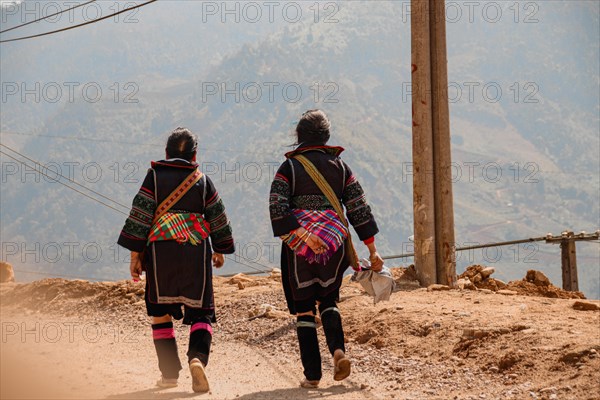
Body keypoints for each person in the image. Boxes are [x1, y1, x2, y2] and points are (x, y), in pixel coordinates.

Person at [269, 110, 384, 388]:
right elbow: (358, 208)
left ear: (299, 137)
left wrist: (304, 235)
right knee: (329, 301)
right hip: (334, 244)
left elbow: (276, 207)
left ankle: (312, 376)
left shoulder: (289, 168)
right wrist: (372, 250)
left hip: (300, 247)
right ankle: (338, 352)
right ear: (326, 136)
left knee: (305, 309)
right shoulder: (341, 167)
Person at [118, 127, 234, 393]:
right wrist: (219, 248)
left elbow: (140, 216)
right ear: (195, 155)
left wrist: (135, 256)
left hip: (161, 253)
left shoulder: (154, 177)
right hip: (196, 250)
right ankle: (197, 359)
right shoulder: (202, 180)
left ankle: (169, 375)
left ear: (166, 153)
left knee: (159, 311)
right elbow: (217, 216)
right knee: (202, 310)